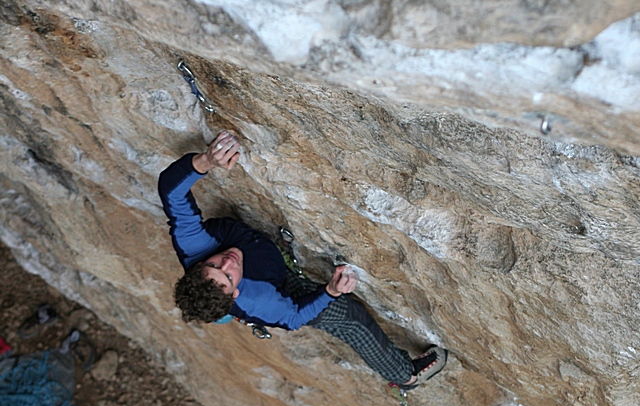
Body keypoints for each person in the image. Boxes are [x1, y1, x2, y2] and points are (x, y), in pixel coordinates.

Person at [158, 131, 448, 388]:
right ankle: (405, 375)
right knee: (347, 316)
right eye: (229, 276)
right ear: (235, 291)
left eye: (214, 265)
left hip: (263, 262)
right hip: (280, 284)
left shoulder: (193, 245)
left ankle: (271, 259)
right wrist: (330, 292)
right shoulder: (256, 300)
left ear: (198, 265)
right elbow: (294, 318)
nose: (228, 262)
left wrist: (207, 160)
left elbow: (170, 188)